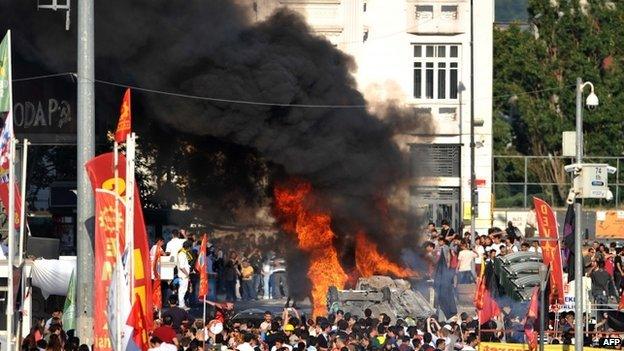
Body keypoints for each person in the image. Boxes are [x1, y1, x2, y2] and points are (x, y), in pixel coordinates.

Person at [176, 241, 192, 308]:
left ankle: (182, 304)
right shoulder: (182, 254)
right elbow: (182, 267)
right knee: (182, 290)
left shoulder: (183, 253)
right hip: (183, 275)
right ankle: (181, 305)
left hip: (184, 275)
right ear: (188, 247)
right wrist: (187, 274)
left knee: (183, 290)